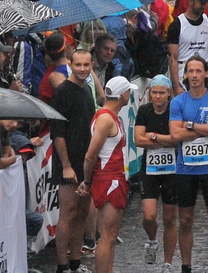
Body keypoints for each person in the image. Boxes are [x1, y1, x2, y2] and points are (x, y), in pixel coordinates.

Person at [169, 56, 208, 271]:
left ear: (206, 74)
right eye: (190, 71)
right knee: (185, 220)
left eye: (199, 71)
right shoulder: (178, 101)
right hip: (185, 170)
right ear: (185, 75)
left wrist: (189, 125)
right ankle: (186, 266)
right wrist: (205, 127)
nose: (195, 75)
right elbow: (175, 134)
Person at [51, 47, 99, 273]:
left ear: (91, 66)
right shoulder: (62, 91)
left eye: (86, 65)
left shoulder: (87, 90)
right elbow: (58, 133)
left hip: (86, 163)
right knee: (68, 214)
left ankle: (75, 263)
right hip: (68, 164)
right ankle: (62, 266)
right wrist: (67, 166)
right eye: (78, 65)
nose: (82, 69)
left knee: (81, 214)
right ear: (70, 63)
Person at [84, 76, 136, 273]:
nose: (130, 96)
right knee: (107, 235)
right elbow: (90, 155)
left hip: (112, 177)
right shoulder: (106, 118)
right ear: (123, 95)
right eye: (129, 92)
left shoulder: (108, 116)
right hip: (109, 178)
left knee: (111, 234)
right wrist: (87, 181)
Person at [133, 75, 180, 269]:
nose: (158, 97)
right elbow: (138, 140)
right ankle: (152, 240)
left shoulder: (175, 111)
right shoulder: (144, 111)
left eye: (162, 93)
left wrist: (153, 137)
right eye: (155, 93)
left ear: (169, 94)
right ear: (150, 94)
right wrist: (165, 140)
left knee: (169, 218)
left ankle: (167, 262)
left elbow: (177, 139)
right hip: (149, 169)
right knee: (149, 216)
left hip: (172, 170)